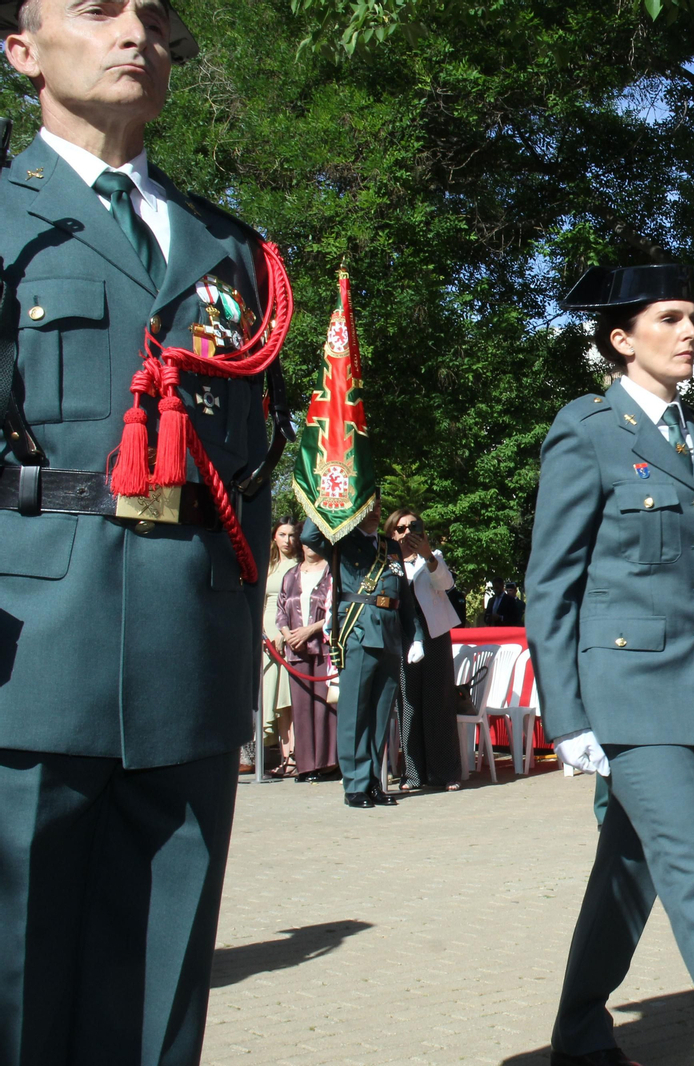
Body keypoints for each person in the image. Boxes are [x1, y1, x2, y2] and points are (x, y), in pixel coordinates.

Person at [0, 2, 287, 1061]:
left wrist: (236, 609)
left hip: (187, 652)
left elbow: (254, 459)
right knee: (15, 984)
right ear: (22, 52)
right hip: (26, 651)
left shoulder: (229, 246)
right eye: (97, 8)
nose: (136, 33)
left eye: (155, 18)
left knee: (162, 992)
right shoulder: (5, 215)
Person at [526, 264, 694, 1066]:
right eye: (671, 319)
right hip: (625, 693)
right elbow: (552, 583)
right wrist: (567, 715)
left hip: (689, 692)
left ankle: (578, 1033)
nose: (691, 332)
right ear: (621, 339)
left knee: (630, 872)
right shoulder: (587, 429)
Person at [301, 500, 425, 810]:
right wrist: (331, 500)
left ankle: (372, 782)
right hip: (357, 632)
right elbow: (308, 535)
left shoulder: (390, 547)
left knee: (380, 715)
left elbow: (404, 594)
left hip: (390, 633)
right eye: (367, 505)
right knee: (355, 713)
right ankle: (355, 784)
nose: (375, 511)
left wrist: (417, 636)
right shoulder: (342, 540)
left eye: (378, 506)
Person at [386, 506, 463, 791]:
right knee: (408, 704)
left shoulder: (432, 558)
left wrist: (429, 554)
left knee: (438, 702)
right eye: (401, 528)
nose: (408, 533)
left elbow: (446, 583)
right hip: (401, 637)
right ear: (391, 533)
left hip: (433, 635)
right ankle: (413, 773)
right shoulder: (386, 563)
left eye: (413, 527)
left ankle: (445, 773)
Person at [277, 542, 338, 782]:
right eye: (306, 541)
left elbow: (335, 609)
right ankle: (306, 765)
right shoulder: (290, 575)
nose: (310, 546)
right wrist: (287, 634)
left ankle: (327, 764)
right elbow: (281, 608)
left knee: (324, 706)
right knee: (301, 708)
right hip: (296, 649)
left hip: (322, 646)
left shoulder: (331, 572)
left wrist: (308, 631)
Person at [262, 518, 301, 775]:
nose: (287, 540)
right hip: (265, 634)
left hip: (290, 632)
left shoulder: (300, 565)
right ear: (274, 536)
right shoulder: (267, 565)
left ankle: (294, 756)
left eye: (292, 535)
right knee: (271, 694)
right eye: (282, 534)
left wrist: (285, 635)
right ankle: (282, 754)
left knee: (288, 697)